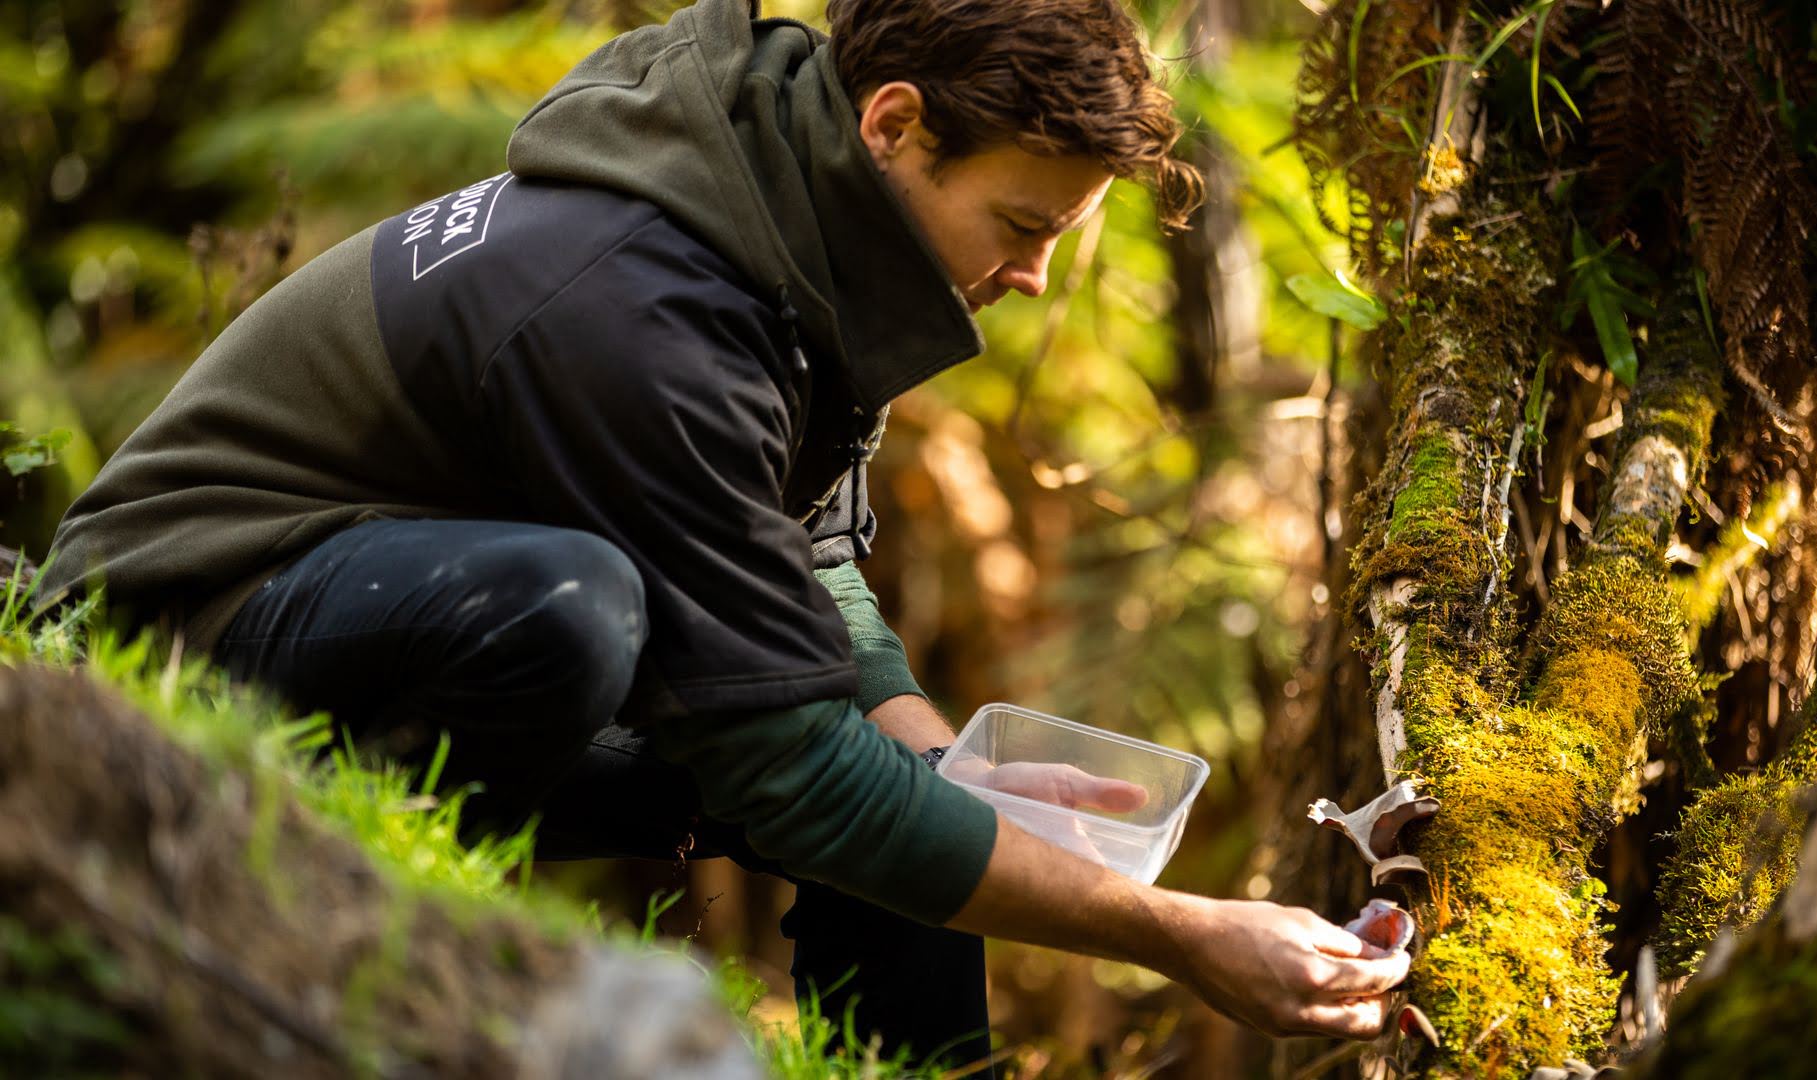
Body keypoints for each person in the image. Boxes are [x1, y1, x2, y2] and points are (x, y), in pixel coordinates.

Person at [41, 0, 1409, 1071]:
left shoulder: (772, 218)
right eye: (1019, 223)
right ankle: (340, 937)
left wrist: (945, 764)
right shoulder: (644, 310)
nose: (1034, 273)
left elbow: (806, 565)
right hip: (159, 649)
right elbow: (789, 768)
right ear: (895, 125)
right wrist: (1174, 937)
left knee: (903, 804)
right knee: (572, 612)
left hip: (387, 624)